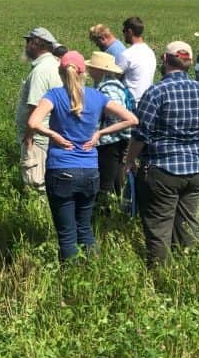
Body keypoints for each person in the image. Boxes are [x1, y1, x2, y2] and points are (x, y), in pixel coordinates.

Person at [27, 50, 138, 261]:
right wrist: (100, 133)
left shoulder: (54, 95)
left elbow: (32, 122)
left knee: (67, 234)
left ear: (61, 73)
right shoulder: (97, 96)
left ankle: (69, 278)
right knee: (85, 228)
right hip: (89, 170)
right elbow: (132, 119)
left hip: (61, 168)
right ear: (83, 72)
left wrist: (53, 134)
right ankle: (92, 271)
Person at [125, 41, 199, 265]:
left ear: (164, 59)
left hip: (163, 169)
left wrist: (129, 162)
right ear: (189, 63)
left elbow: (141, 133)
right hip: (196, 167)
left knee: (159, 225)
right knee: (188, 222)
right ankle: (190, 266)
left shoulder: (156, 92)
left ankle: (161, 276)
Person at [85, 51, 136, 207]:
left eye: (92, 67)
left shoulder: (108, 90)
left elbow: (118, 119)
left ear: (100, 70)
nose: (89, 70)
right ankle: (114, 208)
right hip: (115, 140)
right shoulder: (113, 85)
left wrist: (100, 132)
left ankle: (104, 212)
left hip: (110, 142)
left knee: (105, 182)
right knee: (113, 179)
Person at [15, 27, 62, 194]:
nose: (26, 45)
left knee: (36, 183)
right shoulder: (54, 64)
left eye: (28, 41)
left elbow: (34, 108)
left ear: (36, 44)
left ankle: (38, 216)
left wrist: (28, 139)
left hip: (37, 138)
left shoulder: (41, 71)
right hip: (48, 134)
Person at [119, 16, 157, 102]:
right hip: (146, 101)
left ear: (130, 31)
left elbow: (114, 78)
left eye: (124, 31)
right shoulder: (150, 52)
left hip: (130, 103)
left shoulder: (127, 54)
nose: (123, 34)